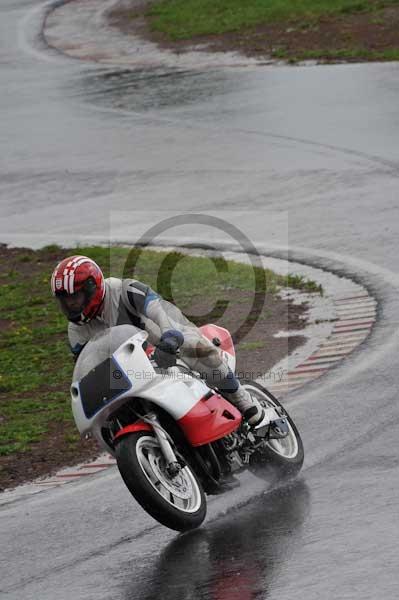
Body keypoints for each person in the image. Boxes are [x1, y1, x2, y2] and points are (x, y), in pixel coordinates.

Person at [51, 255, 264, 426]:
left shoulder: (125, 290)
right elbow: (87, 367)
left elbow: (158, 311)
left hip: (166, 344)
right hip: (129, 370)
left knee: (197, 348)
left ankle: (240, 398)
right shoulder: (76, 331)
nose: (69, 306)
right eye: (64, 301)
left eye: (73, 298)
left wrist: (170, 337)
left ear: (91, 288)